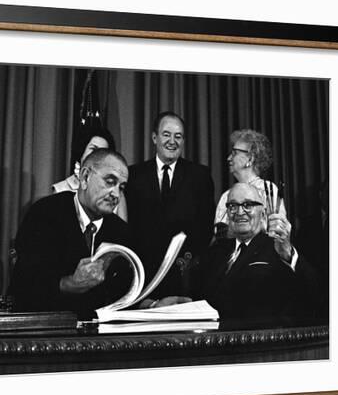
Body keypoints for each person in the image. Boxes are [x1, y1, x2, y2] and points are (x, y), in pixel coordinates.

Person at [8, 149, 131, 319]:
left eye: (121, 187)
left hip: (100, 335)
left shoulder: (120, 232)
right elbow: (24, 286)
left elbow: (123, 291)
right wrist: (69, 284)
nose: (116, 194)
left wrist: (153, 304)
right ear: (85, 177)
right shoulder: (44, 213)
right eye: (110, 182)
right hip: (47, 330)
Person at [125, 111, 215, 303]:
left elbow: (206, 227)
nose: (172, 141)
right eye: (166, 134)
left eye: (178, 136)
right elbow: (129, 227)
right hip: (143, 280)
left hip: (186, 279)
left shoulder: (200, 176)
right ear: (154, 137)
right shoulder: (133, 176)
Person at [196, 182, 318, 322]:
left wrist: (288, 254)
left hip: (263, 338)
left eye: (248, 205)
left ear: (263, 213)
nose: (240, 212)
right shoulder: (216, 252)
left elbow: (312, 291)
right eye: (233, 206)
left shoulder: (277, 247)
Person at [214, 129, 286, 239]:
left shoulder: (267, 190)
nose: (228, 158)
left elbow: (277, 233)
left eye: (234, 153)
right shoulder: (226, 196)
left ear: (250, 159)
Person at [52, 126, 127, 222]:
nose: (97, 156)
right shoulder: (61, 189)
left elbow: (122, 232)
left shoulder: (116, 193)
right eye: (93, 149)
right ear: (82, 151)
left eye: (102, 152)